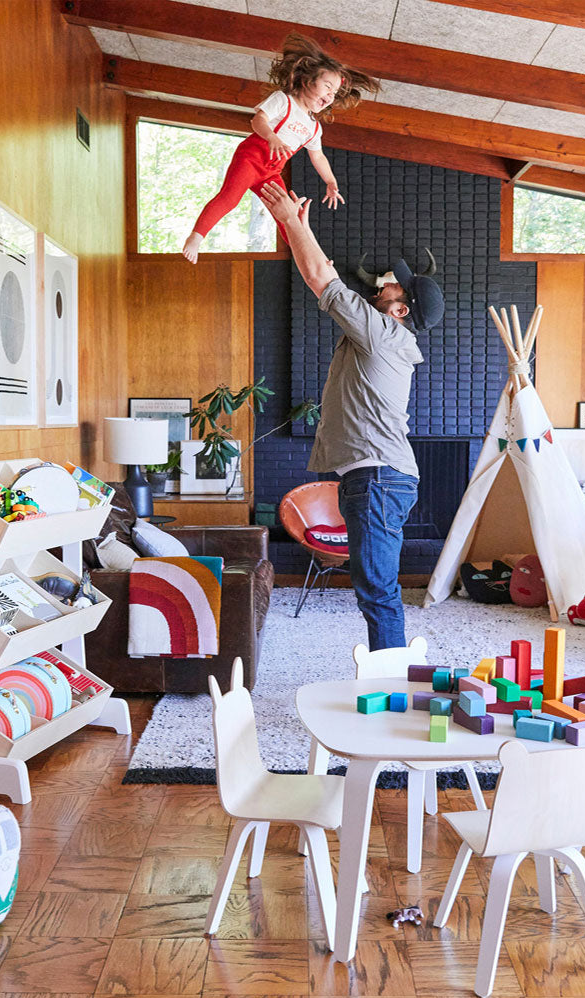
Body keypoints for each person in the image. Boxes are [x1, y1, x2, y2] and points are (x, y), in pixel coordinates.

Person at [258, 182, 445, 650]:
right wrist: (297, 226)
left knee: (377, 589)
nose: (383, 283)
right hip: (376, 477)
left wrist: (289, 222)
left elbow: (323, 276)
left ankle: (391, 684)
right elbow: (319, 279)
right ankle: (391, 671)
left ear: (401, 309)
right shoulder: (380, 334)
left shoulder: (383, 333)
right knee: (374, 586)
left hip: (379, 477)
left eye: (393, 286)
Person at [182, 34, 379, 264]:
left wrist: (331, 182)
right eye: (327, 86)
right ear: (307, 80)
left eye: (334, 92)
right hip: (251, 158)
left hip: (271, 172)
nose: (330, 95)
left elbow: (318, 156)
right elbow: (258, 121)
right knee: (230, 198)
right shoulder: (283, 101)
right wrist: (271, 136)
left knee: (290, 216)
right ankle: (196, 237)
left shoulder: (313, 127)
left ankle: (311, 257)